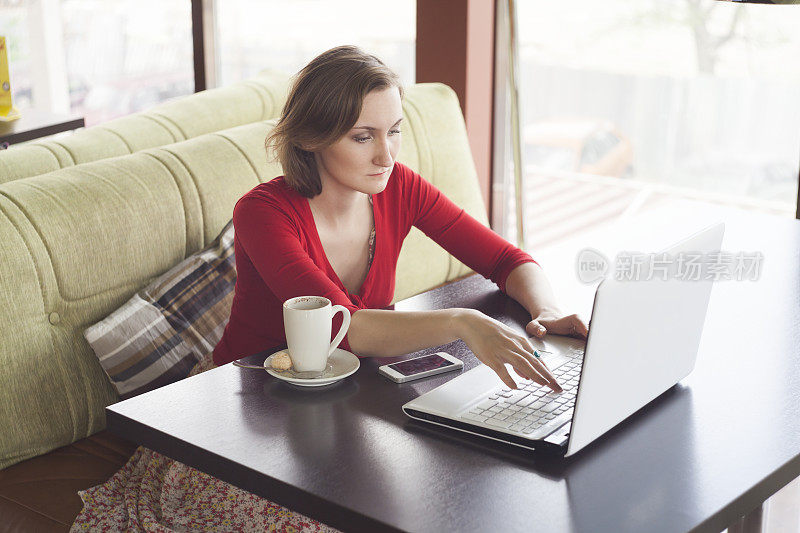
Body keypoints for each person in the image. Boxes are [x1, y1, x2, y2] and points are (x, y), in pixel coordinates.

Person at [71, 46, 587, 532]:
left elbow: (505, 258)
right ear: (312, 137)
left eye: (395, 131)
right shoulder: (264, 213)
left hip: (346, 406)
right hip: (247, 418)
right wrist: (462, 321)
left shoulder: (400, 186)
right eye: (363, 136)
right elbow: (347, 328)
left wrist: (549, 311)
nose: (385, 154)